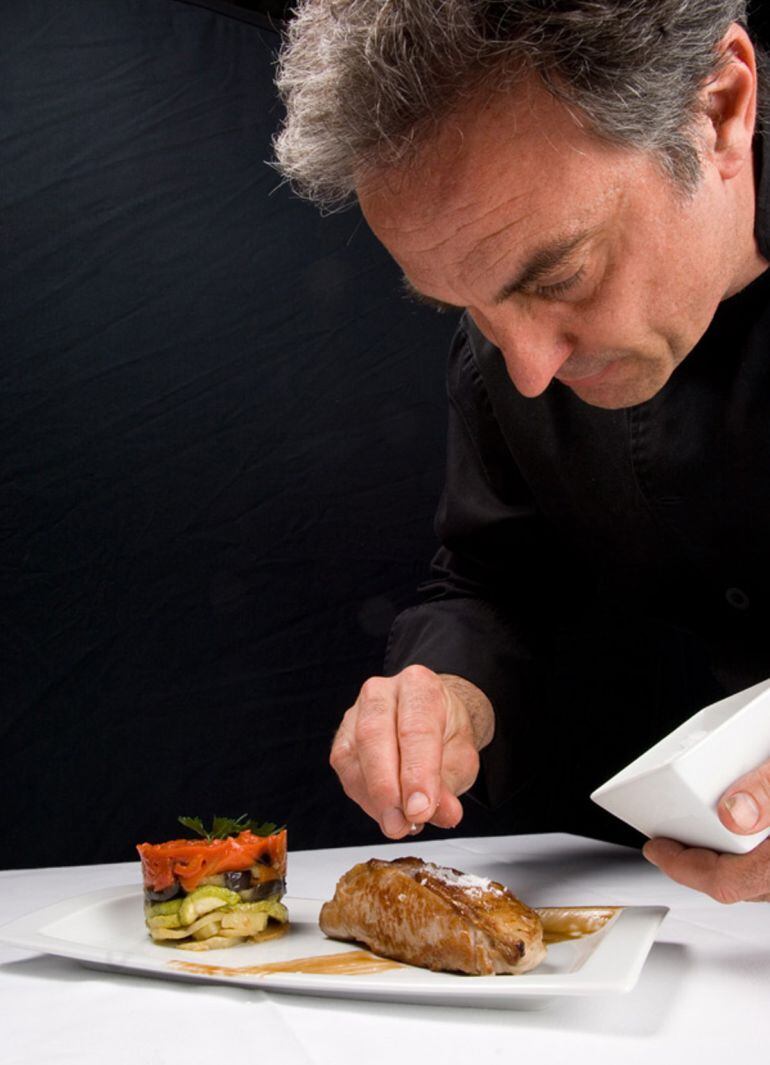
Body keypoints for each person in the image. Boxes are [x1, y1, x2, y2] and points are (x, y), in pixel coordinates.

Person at [273, 0, 770, 903]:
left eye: (563, 275)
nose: (530, 371)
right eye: (465, 306)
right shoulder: (505, 353)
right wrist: (449, 691)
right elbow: (498, 581)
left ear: (720, 110)